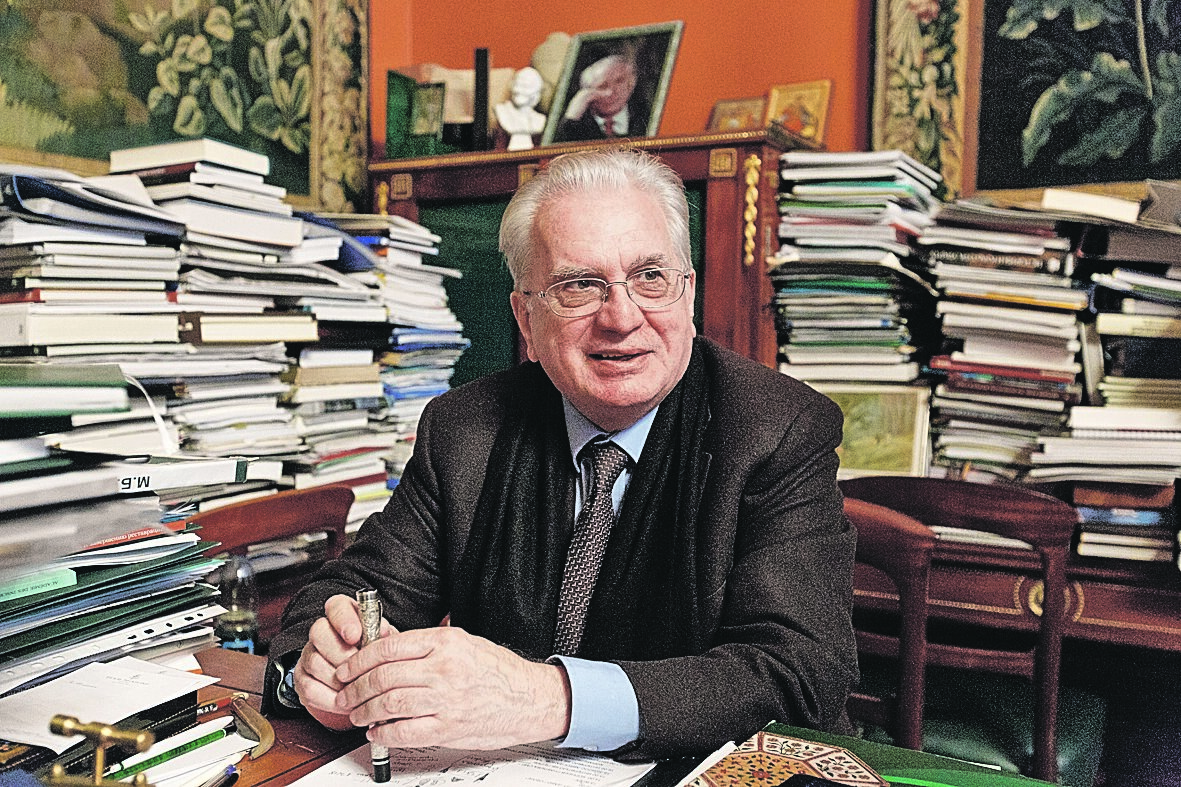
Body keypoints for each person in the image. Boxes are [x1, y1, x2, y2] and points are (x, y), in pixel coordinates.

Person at [265, 147, 857, 762]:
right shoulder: (464, 428)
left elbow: (798, 675)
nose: (621, 317)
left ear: (687, 294)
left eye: (650, 277)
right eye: (579, 286)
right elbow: (361, 587)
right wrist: (319, 665)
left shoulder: (776, 429)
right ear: (526, 317)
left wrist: (548, 698)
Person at [553, 55, 650, 142]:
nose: (611, 92)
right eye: (602, 86)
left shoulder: (646, 116)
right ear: (587, 93)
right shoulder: (575, 125)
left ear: (631, 83)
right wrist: (572, 117)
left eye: (619, 81)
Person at [495, 66, 547, 151]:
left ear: (536, 91)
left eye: (525, 86)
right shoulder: (502, 111)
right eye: (517, 84)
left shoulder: (540, 119)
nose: (518, 90)